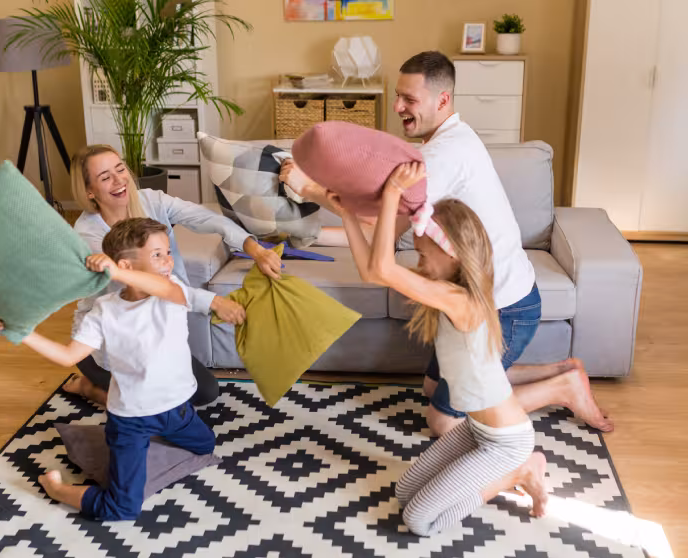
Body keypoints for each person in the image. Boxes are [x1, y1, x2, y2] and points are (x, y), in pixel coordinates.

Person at [283, 51, 613, 436]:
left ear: (443, 100)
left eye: (409, 99)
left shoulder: (441, 156)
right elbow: (380, 238)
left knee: (445, 421)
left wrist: (311, 190)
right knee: (431, 387)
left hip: (501, 306)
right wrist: (321, 220)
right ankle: (561, 369)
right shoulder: (448, 140)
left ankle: (561, 387)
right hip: (491, 293)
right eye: (397, 96)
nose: (397, 107)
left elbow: (381, 239)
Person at [335, 162, 548, 535]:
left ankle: (520, 471)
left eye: (422, 255)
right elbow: (373, 271)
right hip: (473, 429)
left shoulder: (460, 299)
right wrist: (346, 215)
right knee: (404, 492)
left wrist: (392, 195)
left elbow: (383, 269)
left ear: (452, 255)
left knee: (418, 520)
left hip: (505, 442)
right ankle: (515, 470)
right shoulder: (445, 287)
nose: (418, 264)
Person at [0, 218, 218, 520]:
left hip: (177, 409)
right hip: (131, 420)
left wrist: (118, 270)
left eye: (167, 251)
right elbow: (68, 355)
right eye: (157, 254)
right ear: (126, 263)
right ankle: (58, 490)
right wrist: (25, 334)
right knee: (123, 508)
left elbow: (161, 286)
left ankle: (96, 394)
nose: (168, 259)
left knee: (206, 445)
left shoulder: (171, 291)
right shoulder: (105, 310)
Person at [66, 144, 283, 408]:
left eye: (120, 169)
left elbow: (205, 218)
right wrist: (214, 302)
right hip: (112, 343)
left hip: (157, 333)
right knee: (150, 408)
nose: (118, 180)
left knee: (204, 393)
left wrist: (255, 249)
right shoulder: (88, 236)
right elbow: (148, 287)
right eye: (105, 177)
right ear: (89, 191)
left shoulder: (152, 201)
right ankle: (94, 389)